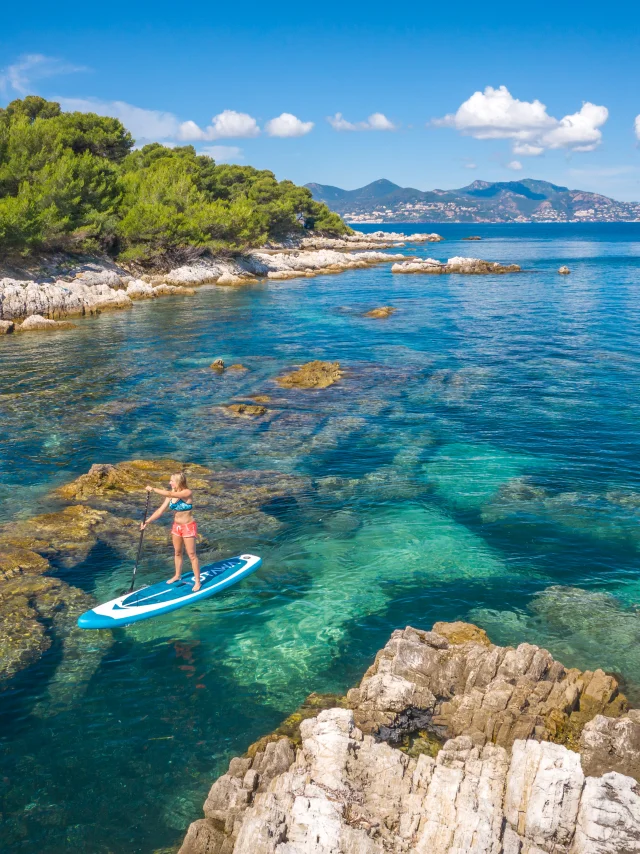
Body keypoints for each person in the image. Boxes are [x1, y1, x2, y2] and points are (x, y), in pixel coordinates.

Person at [141, 472, 201, 591]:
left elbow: (169, 493)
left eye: (172, 481)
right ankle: (177, 575)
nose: (169, 483)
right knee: (177, 552)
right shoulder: (170, 496)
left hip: (188, 526)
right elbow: (160, 511)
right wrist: (147, 522)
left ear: (178, 481)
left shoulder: (187, 492)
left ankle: (198, 582)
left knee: (192, 555)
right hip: (176, 527)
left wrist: (152, 489)